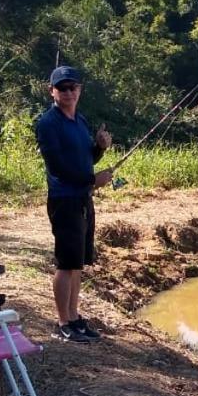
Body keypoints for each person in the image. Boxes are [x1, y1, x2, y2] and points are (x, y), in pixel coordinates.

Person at [35, 65, 114, 343]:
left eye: (73, 87)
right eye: (63, 88)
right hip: (64, 201)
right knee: (65, 263)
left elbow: (85, 159)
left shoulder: (80, 121)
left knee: (78, 263)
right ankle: (62, 322)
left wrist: (100, 148)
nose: (69, 92)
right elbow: (58, 168)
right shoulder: (48, 124)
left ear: (79, 90)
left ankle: (74, 317)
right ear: (52, 91)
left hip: (83, 199)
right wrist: (93, 180)